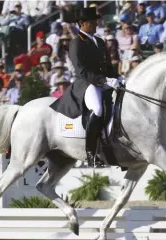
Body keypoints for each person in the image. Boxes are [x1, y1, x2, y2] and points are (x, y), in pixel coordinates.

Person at [50, 7, 121, 167]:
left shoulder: (100, 41)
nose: (96, 23)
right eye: (92, 21)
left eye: (96, 20)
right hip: (87, 84)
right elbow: (81, 70)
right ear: (82, 23)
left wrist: (117, 77)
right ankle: (91, 154)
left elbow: (108, 66)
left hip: (103, 82)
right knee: (97, 109)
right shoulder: (76, 43)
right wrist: (104, 81)